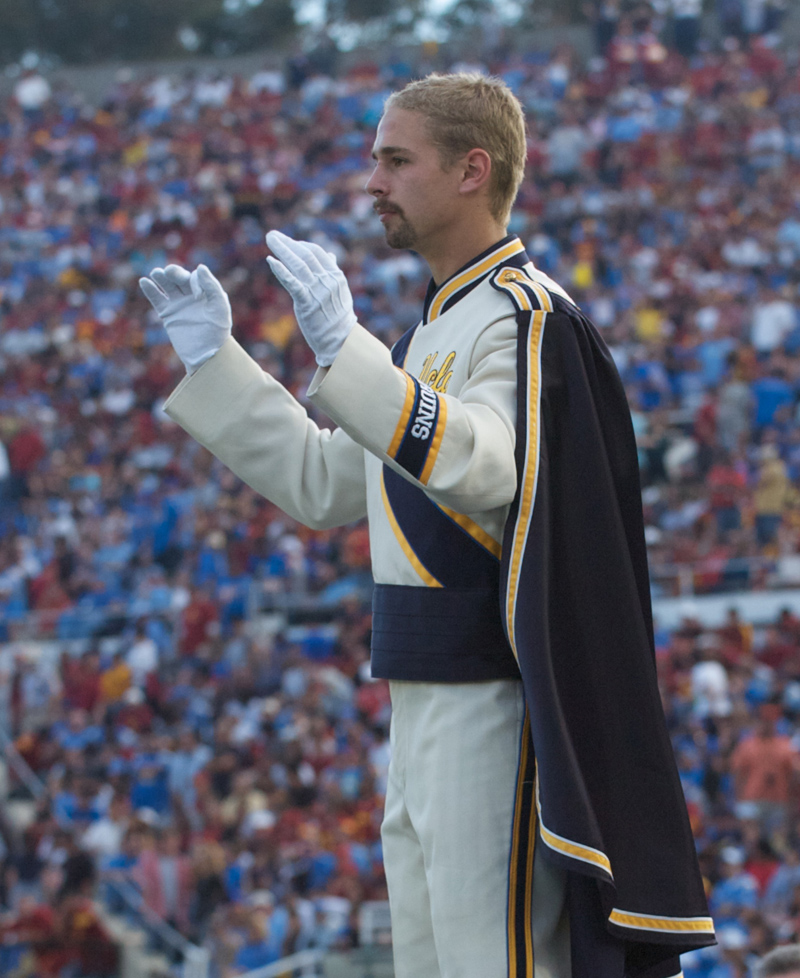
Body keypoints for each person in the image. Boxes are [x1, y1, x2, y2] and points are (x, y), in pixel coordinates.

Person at [140, 72, 715, 978]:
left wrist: (345, 350)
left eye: (396, 159)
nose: (373, 181)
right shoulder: (426, 338)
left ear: (470, 171)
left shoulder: (527, 318)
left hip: (495, 694)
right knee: (432, 958)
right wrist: (220, 364)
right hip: (419, 699)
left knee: (494, 959)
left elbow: (488, 466)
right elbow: (328, 485)